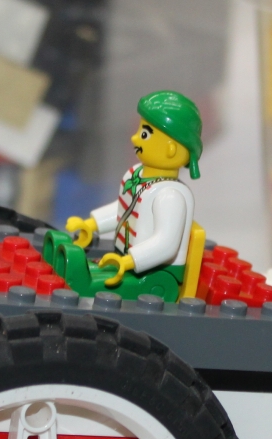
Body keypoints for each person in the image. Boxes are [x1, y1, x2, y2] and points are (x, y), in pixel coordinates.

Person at [65, 90, 201, 301]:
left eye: (145, 134)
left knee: (83, 286)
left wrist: (129, 261)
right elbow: (123, 209)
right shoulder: (137, 174)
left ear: (171, 149)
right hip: (126, 261)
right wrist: (92, 225)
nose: (134, 137)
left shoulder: (170, 196)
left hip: (154, 273)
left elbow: (166, 244)